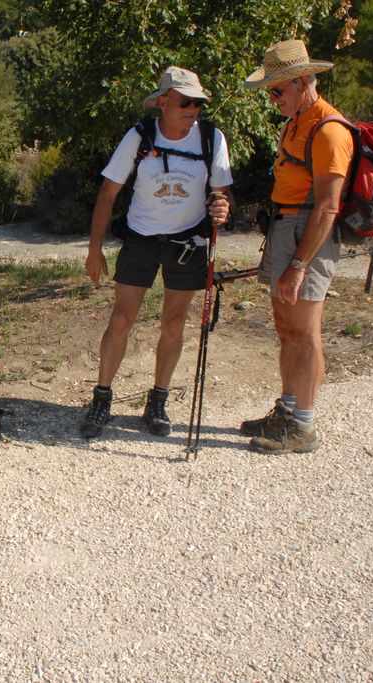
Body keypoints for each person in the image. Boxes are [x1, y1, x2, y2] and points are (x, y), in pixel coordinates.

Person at [81, 66, 234, 439]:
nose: (193, 108)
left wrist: (222, 207)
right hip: (141, 238)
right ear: (163, 103)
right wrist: (95, 250)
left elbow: (222, 192)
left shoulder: (212, 138)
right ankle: (102, 399)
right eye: (185, 101)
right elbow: (108, 194)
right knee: (122, 319)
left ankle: (158, 401)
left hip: (187, 243)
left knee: (173, 323)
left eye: (197, 102)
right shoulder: (139, 136)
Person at [240, 39, 354, 454]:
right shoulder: (297, 121)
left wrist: (299, 264)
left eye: (277, 90)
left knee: (304, 332)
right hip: (285, 226)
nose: (272, 99)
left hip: (307, 233)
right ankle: (287, 412)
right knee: (285, 326)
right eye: (270, 90)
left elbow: (328, 206)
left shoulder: (329, 129)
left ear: (305, 82)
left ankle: (303, 426)